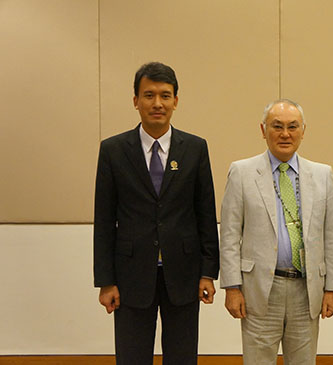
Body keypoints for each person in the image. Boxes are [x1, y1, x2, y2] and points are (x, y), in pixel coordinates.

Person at [93, 62, 219, 365]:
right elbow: (104, 220)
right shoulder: (113, 150)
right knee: (132, 356)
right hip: (130, 274)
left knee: (182, 356)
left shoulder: (195, 148)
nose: (157, 103)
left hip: (184, 274)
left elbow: (206, 212)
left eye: (165, 95)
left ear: (176, 101)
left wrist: (208, 272)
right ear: (135, 101)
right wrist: (105, 281)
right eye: (149, 95)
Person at [219, 99, 333, 365]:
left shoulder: (322, 175)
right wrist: (231, 287)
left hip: (306, 289)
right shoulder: (242, 172)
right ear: (263, 130)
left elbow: (331, 236)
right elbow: (229, 235)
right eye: (277, 126)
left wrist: (332, 288)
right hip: (260, 289)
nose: (285, 134)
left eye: (292, 127)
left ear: (303, 131)